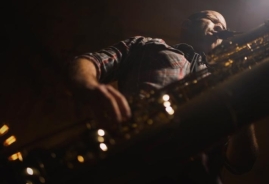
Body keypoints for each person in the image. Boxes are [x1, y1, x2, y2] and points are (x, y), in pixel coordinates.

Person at [68, 10, 259, 183]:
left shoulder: (227, 78)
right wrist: (89, 85)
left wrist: (245, 104)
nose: (220, 28)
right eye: (213, 20)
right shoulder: (147, 46)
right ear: (187, 24)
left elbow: (240, 164)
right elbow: (91, 61)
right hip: (136, 159)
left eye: (223, 27)